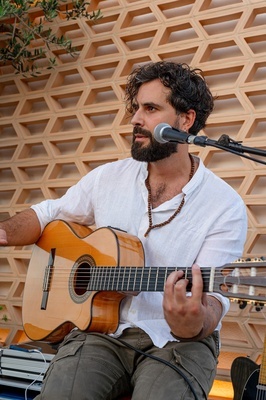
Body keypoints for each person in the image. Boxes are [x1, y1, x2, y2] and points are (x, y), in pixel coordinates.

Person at [0, 61, 247, 400]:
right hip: (100, 332)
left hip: (177, 341)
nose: (135, 119)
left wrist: (191, 321)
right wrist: (5, 232)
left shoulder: (225, 205)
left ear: (186, 120)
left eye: (150, 108)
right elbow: (49, 214)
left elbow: (212, 303)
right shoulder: (108, 178)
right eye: (135, 109)